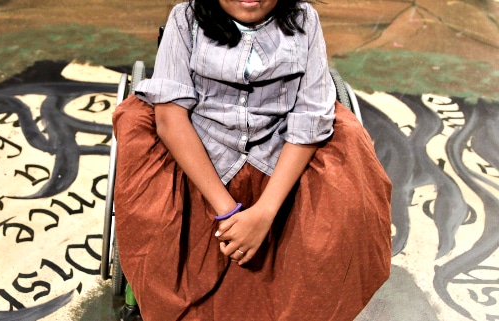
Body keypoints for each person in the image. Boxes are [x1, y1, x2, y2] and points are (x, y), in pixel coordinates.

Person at [111, 0, 393, 320]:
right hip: (201, 149)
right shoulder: (185, 18)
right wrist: (228, 211)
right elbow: (170, 118)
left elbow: (310, 119)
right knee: (156, 223)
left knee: (340, 218)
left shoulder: (304, 20)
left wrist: (264, 213)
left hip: (281, 148)